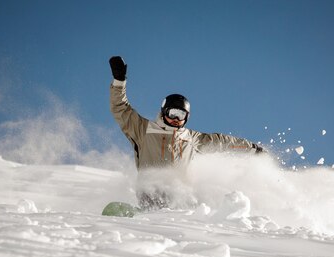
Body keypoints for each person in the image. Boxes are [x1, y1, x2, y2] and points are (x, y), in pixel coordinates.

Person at [109, 56, 263, 209]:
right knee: (155, 199)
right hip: (150, 194)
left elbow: (222, 142)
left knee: (192, 200)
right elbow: (120, 108)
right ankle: (143, 217)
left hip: (180, 198)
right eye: (173, 113)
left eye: (181, 115)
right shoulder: (143, 129)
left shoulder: (191, 138)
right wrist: (119, 81)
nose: (176, 119)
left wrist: (252, 148)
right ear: (164, 112)